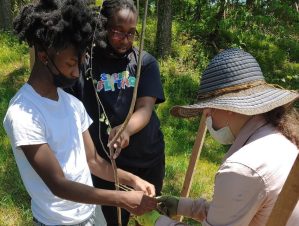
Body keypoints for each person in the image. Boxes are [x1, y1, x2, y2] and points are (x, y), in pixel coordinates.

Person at [3, 0, 158, 225]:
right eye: (70, 64)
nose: (76, 73)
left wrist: (132, 180)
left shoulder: (71, 103)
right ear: (44, 57)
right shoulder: (23, 114)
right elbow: (59, 184)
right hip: (57, 221)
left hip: (91, 215)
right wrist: (122, 198)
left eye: (81, 63)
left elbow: (93, 161)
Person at [135, 48, 299, 226]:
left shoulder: (243, 167)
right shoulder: (276, 138)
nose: (207, 115)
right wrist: (182, 206)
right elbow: (231, 211)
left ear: (229, 108)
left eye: (210, 108)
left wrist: (157, 222)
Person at [67, 0, 165, 225]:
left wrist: (125, 129)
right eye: (118, 32)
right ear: (103, 26)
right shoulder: (85, 63)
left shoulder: (144, 63)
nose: (125, 40)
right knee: (112, 220)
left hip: (148, 159)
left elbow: (145, 108)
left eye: (131, 33)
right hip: (106, 166)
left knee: (150, 216)